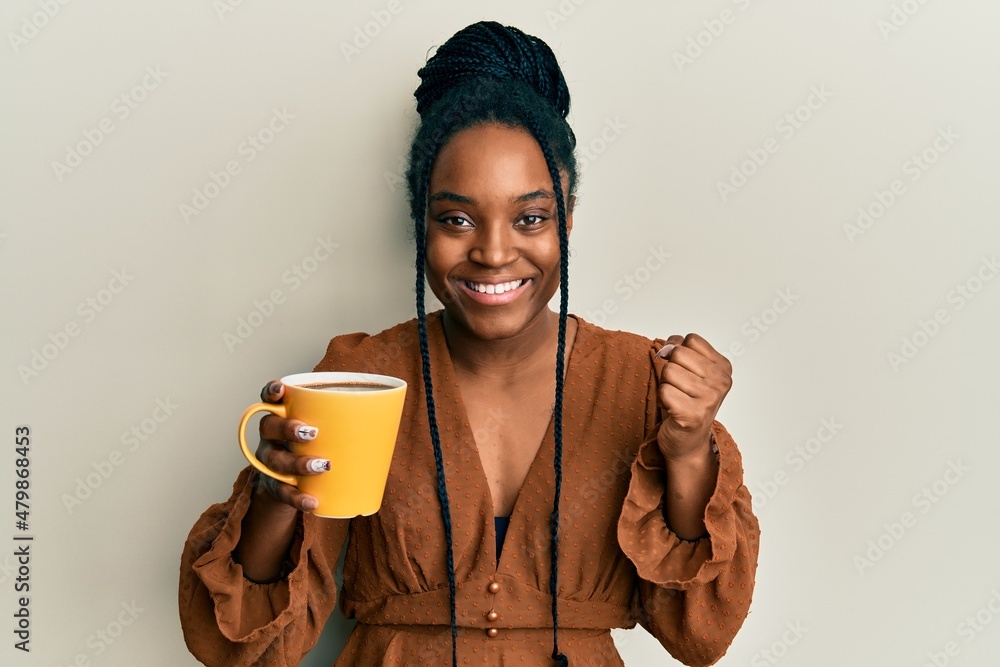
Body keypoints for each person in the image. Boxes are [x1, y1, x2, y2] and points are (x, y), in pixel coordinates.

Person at [179, 20, 760, 667]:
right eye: (456, 218)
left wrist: (687, 450)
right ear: (420, 220)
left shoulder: (642, 380)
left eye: (530, 217)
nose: (492, 251)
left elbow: (700, 634)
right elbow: (240, 645)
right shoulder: (357, 374)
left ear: (567, 218)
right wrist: (273, 493)